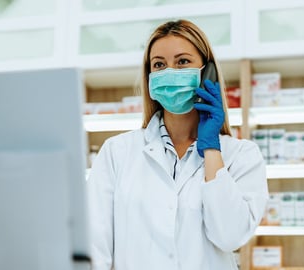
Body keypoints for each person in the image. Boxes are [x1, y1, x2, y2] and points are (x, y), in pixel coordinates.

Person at [87, 19, 269, 270]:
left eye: (182, 61)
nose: (169, 72)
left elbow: (230, 237)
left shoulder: (241, 155)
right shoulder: (117, 152)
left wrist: (212, 149)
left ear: (208, 73)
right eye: (159, 64)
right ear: (150, 77)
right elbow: (95, 247)